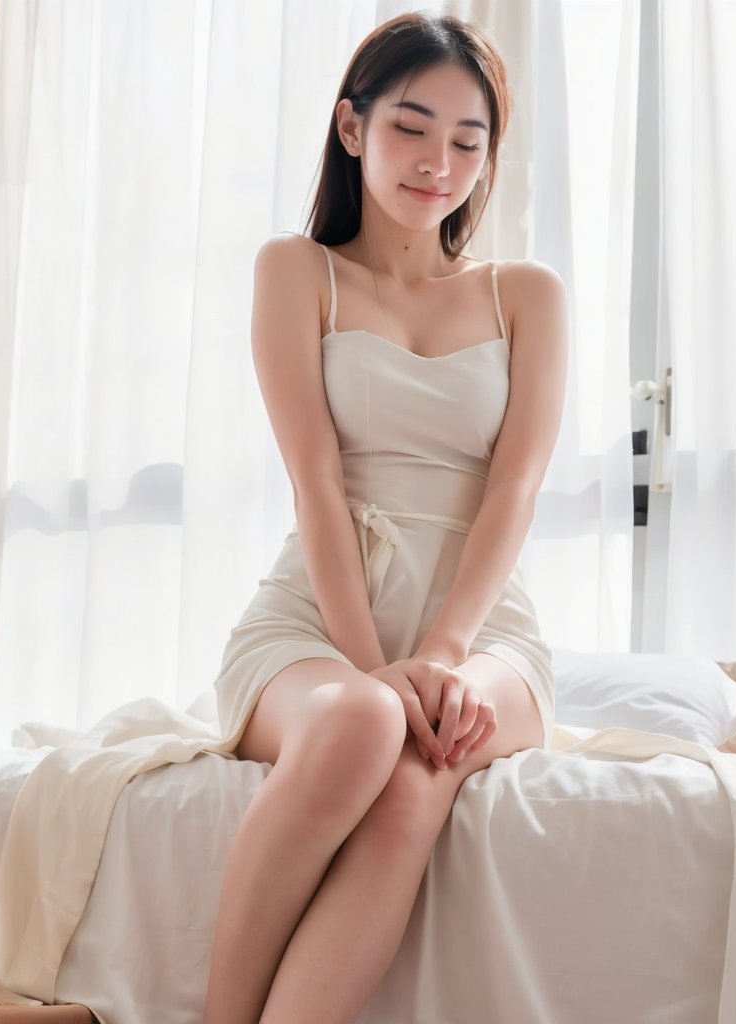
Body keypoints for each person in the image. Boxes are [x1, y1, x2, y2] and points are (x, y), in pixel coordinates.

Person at [200, 12, 568, 1024]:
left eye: (467, 139)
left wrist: (444, 652)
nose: (438, 162)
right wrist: (372, 666)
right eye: (412, 127)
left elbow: (515, 487)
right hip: (319, 619)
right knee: (366, 721)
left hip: (483, 629)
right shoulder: (297, 271)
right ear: (352, 128)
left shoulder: (525, 295)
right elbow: (314, 481)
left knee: (418, 782)